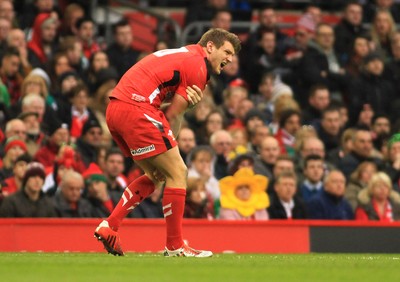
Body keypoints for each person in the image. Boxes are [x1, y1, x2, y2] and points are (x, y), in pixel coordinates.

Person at [94, 28, 241, 257]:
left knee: (157, 175)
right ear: (210, 46)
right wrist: (187, 109)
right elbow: (173, 116)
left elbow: (164, 109)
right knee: (178, 172)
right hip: (137, 108)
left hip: (117, 109)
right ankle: (175, 246)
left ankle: (110, 225)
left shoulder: (185, 55)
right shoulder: (199, 66)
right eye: (227, 52)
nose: (230, 59)